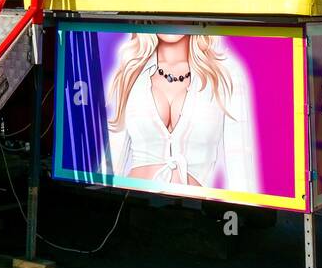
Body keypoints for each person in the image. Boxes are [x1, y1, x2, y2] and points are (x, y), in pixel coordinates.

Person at [105, 33, 257, 192]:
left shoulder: (226, 74)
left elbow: (240, 167)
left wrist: (248, 215)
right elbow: (111, 161)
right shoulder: (132, 69)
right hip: (131, 204)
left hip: (191, 211)